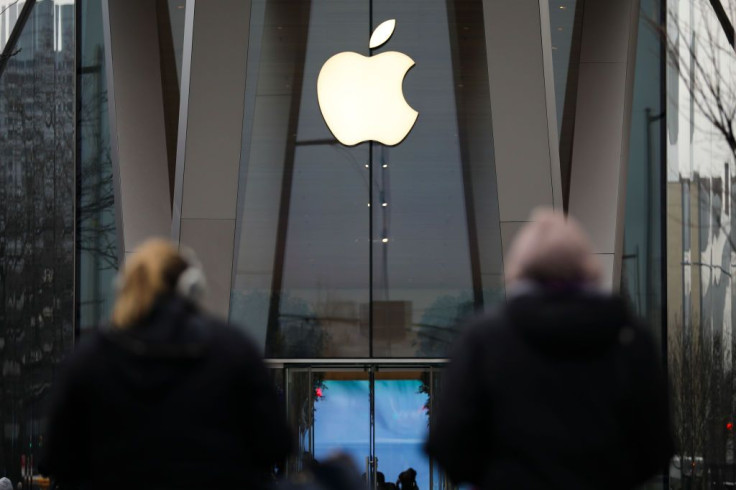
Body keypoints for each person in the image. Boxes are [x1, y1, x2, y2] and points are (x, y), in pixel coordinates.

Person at [425, 209, 674, 489]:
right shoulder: (629, 338)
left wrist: (495, 476)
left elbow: (448, 440)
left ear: (519, 268)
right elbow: (655, 445)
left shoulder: (484, 339)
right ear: (587, 267)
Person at [41, 239, 291, 489]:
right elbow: (276, 444)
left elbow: (56, 458)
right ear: (192, 286)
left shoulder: (88, 359)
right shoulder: (233, 349)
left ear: (123, 288)